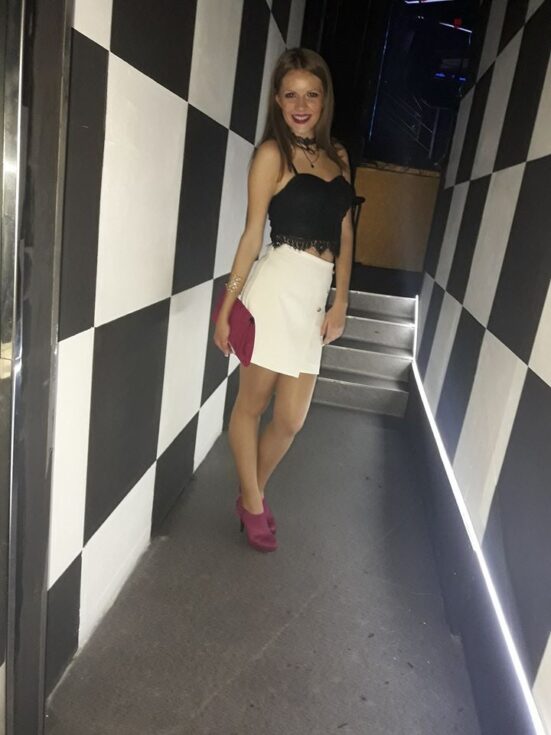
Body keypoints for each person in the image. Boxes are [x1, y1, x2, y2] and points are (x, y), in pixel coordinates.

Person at [213, 47, 355, 553]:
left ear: (324, 99)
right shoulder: (272, 154)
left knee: (291, 419)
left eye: (311, 95)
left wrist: (341, 300)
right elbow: (252, 236)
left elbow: (345, 231)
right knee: (251, 406)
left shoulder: (339, 157)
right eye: (291, 94)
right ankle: (253, 504)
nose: (301, 105)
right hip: (275, 291)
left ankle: (250, 493)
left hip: (315, 298)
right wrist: (227, 308)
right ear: (277, 99)